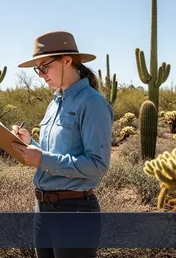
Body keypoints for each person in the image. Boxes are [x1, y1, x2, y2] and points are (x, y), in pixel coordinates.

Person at [9, 30, 113, 258]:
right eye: (38, 69)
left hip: (73, 212)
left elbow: (98, 164)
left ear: (67, 60)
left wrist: (42, 159)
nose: (40, 75)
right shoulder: (54, 103)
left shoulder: (92, 103)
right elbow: (55, 153)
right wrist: (30, 143)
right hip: (43, 209)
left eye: (44, 67)